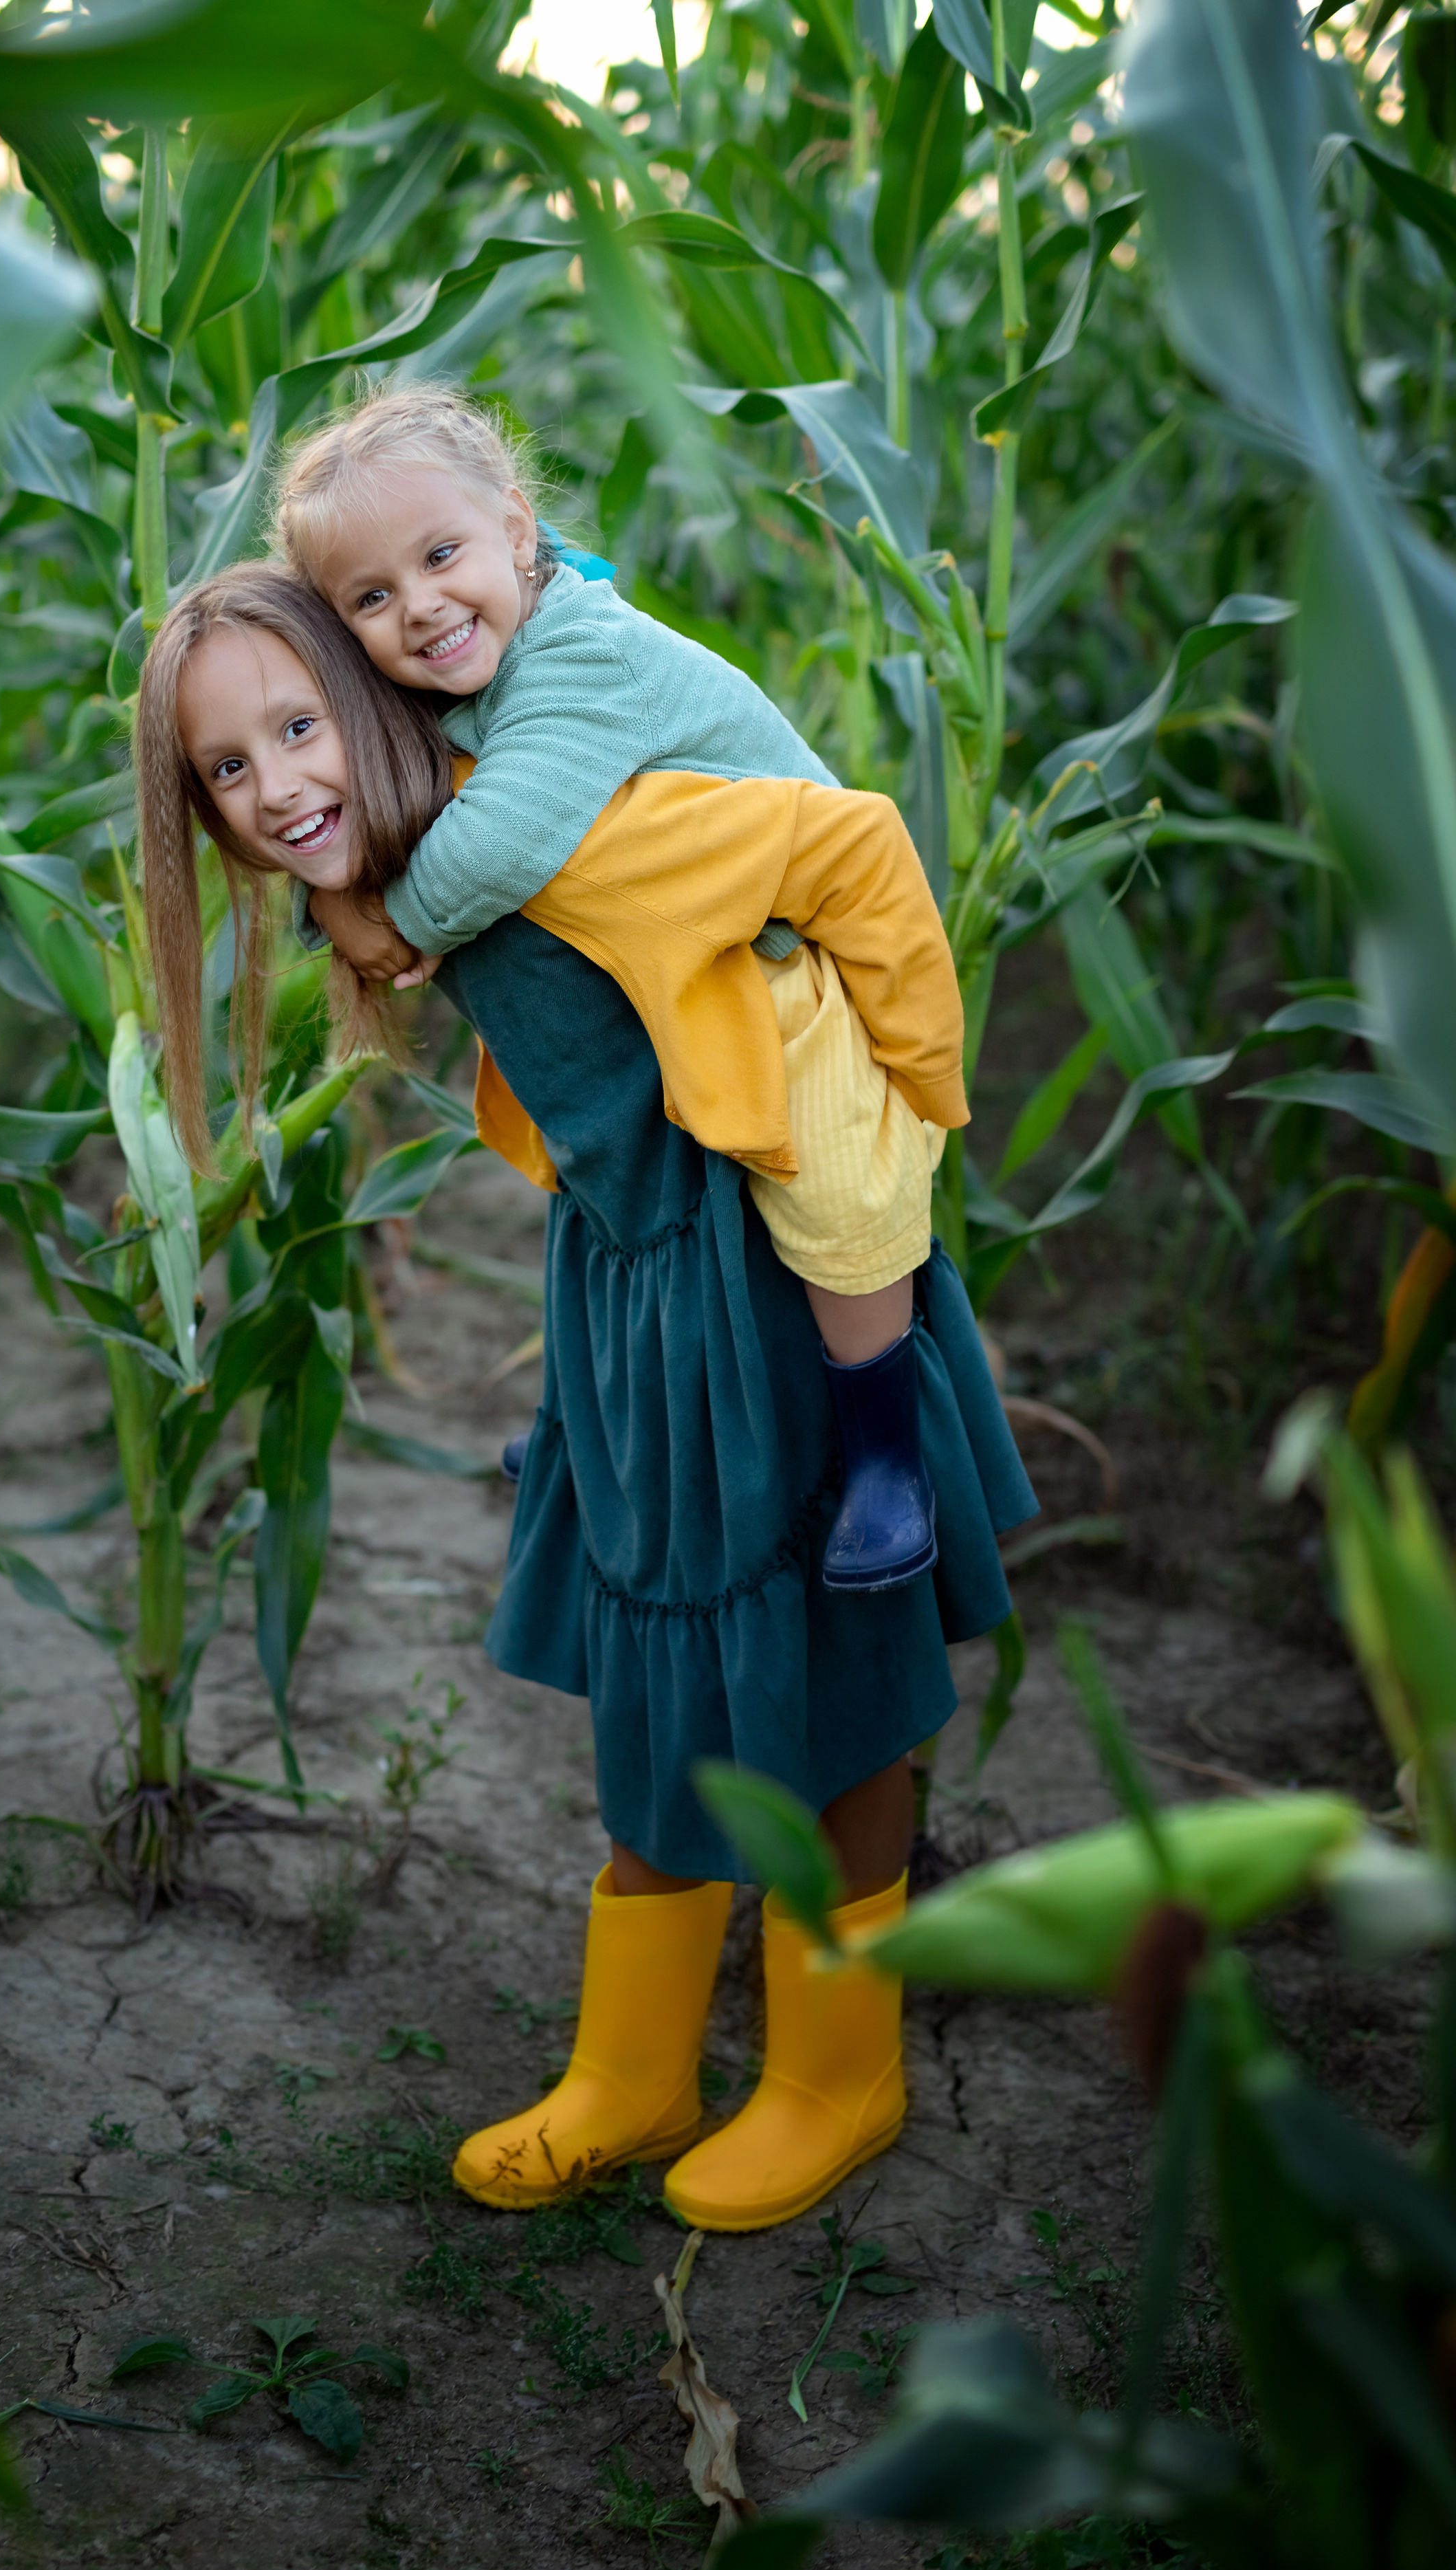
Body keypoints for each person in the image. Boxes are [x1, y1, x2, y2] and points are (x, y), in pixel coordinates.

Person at [135, 566, 1037, 2233]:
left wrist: (920, 1071)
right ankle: (632, 2071)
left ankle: (839, 2071)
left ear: (379, 699)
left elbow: (839, 843)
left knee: (835, 1667)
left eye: (299, 727)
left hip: (763, 1271)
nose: (274, 789)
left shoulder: (579, 824)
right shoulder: (429, 861)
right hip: (630, 1292)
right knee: (652, 1671)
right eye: (226, 769)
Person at [269, 385, 970, 1599]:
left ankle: (884, 1462)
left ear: (516, 530)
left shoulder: (582, 657)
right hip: (665, 976)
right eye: (369, 599)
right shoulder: (471, 662)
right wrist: (321, 897)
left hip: (784, 970)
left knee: (840, 1202)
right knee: (610, 1207)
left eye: (440, 557)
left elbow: (495, 846)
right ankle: (584, 1432)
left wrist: (385, 926)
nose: (419, 605)